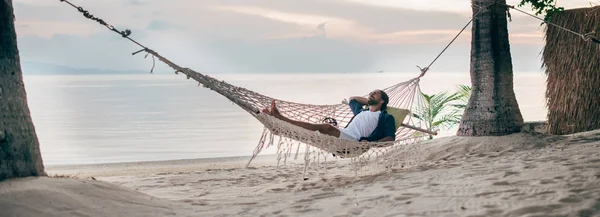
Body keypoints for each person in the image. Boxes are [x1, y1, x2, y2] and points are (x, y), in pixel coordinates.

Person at [261, 89, 396, 142]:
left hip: (356, 141)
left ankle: (281, 118)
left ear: (382, 100)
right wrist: (368, 101)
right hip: (344, 133)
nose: (371, 94)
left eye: (375, 93)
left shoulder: (385, 117)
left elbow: (390, 138)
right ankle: (281, 130)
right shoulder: (361, 112)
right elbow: (352, 99)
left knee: (326, 128)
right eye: (370, 93)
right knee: (317, 135)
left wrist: (371, 143)